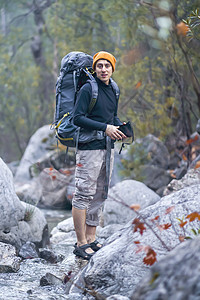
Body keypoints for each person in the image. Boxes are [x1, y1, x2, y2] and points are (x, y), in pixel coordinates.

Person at [72, 51, 126, 260]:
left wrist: (119, 126)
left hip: (107, 148)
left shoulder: (114, 89)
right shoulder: (88, 89)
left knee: (100, 193)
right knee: (83, 194)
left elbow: (111, 116)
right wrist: (105, 128)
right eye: (99, 66)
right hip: (88, 150)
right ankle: (80, 242)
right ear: (94, 69)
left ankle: (92, 238)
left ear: (113, 68)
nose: (103, 70)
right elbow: (78, 118)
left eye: (107, 66)